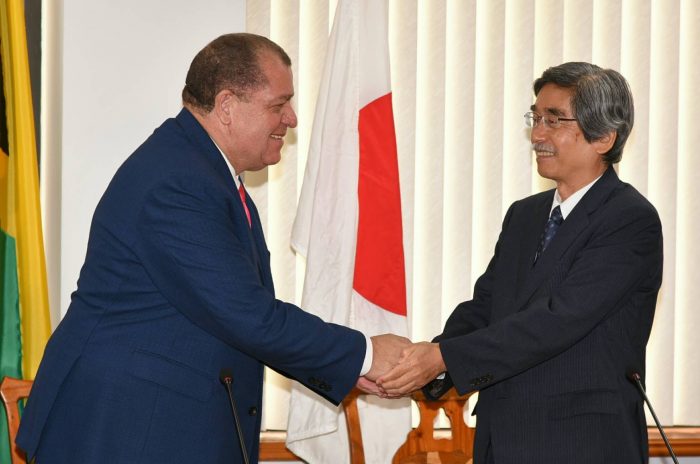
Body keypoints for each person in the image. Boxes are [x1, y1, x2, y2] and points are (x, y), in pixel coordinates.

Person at [17, 33, 407, 463]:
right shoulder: (179, 182)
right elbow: (247, 316)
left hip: (158, 426)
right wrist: (364, 355)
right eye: (278, 105)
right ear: (226, 107)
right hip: (125, 431)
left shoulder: (206, 173)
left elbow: (233, 318)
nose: (292, 119)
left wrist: (347, 367)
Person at [378, 62, 663, 463]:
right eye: (536, 117)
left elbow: (556, 320)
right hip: (503, 436)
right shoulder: (525, 215)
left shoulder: (628, 219)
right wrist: (428, 366)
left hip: (583, 443)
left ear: (603, 137)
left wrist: (443, 359)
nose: (537, 134)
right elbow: (487, 307)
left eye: (554, 120)